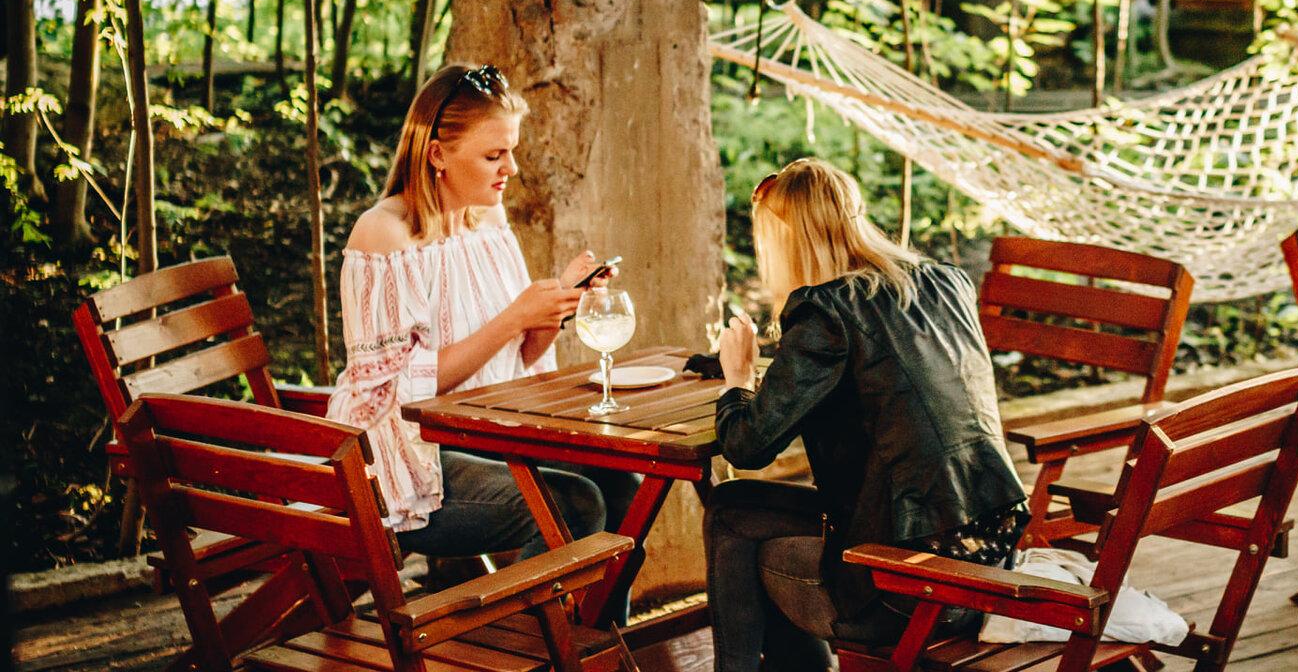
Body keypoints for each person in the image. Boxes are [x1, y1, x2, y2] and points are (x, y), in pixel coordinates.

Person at [706, 158, 1030, 672]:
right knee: (735, 510)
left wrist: (738, 380)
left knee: (730, 519)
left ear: (789, 241)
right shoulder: (946, 282)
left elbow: (747, 447)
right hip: (988, 553)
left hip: (906, 590)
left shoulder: (825, 310)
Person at [326, 63, 634, 567]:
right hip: (405, 454)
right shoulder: (383, 236)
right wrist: (514, 317)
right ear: (437, 154)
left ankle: (588, 636)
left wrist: (557, 307)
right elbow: (398, 394)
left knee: (622, 484)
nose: (510, 168)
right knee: (574, 504)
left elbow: (518, 356)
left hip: (486, 430)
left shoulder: (487, 219)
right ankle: (526, 642)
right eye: (494, 155)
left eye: (510, 150)